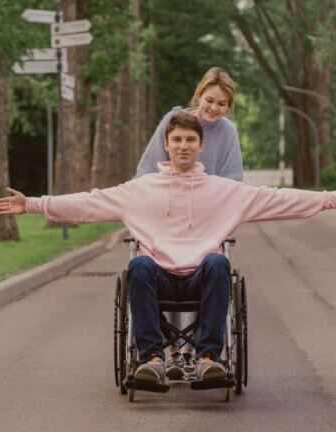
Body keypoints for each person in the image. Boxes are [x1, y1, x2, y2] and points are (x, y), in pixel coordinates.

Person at [0, 113, 336, 388]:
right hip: (156, 278)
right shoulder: (140, 189)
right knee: (138, 265)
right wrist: (34, 204)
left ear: (201, 146)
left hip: (202, 278)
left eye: (191, 140)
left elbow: (277, 198)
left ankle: (210, 359)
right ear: (167, 144)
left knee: (217, 261)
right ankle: (152, 360)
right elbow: (89, 203)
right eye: (177, 140)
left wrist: (333, 199)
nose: (183, 146)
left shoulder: (225, 191)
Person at [136, 66, 242, 378]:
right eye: (210, 100)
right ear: (199, 95)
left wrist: (216, 206)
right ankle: (165, 352)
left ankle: (203, 354)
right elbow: (145, 171)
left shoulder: (228, 133)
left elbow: (235, 180)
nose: (214, 109)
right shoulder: (174, 124)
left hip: (206, 215)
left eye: (222, 104)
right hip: (166, 211)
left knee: (211, 263)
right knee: (151, 264)